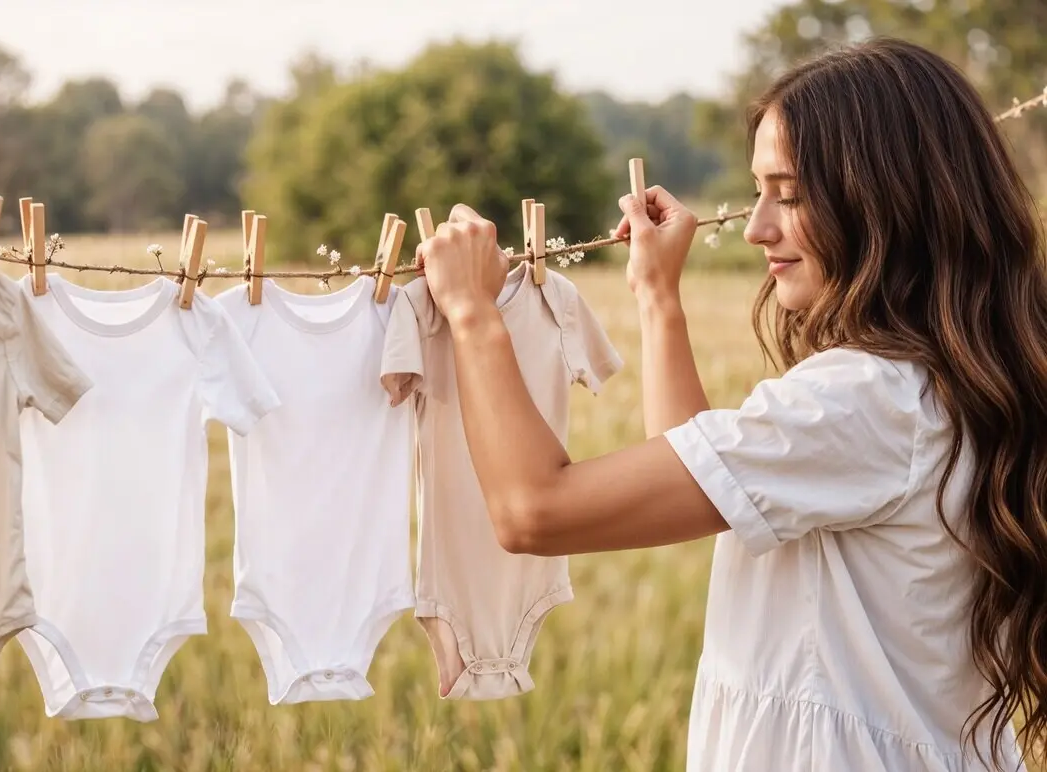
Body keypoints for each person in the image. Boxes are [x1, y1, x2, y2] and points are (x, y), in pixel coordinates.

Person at [415, 37, 1045, 772]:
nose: (755, 229)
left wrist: (473, 315)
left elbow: (534, 511)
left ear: (887, 202)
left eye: (793, 194)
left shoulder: (863, 399)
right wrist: (658, 298)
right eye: (757, 192)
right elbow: (695, 475)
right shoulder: (933, 386)